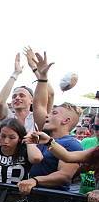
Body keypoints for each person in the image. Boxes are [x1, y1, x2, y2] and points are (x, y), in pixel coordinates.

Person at [16, 53, 83, 193]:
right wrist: (42, 76)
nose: (48, 114)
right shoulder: (44, 135)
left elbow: (64, 176)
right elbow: (39, 104)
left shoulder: (72, 144)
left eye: (54, 113)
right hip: (32, 197)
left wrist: (35, 181)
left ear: (66, 121)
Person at [28, 130, 99, 202]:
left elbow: (65, 174)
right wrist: (49, 141)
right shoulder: (96, 151)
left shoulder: (72, 143)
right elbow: (68, 156)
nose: (97, 132)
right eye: (96, 127)